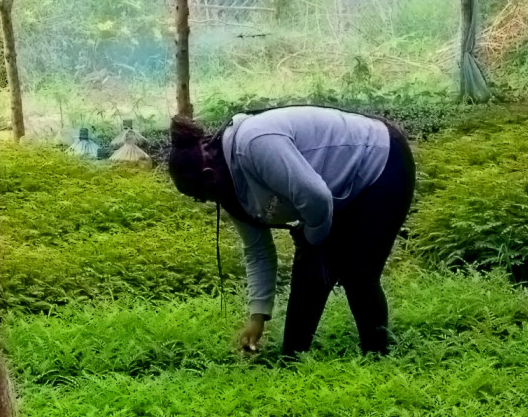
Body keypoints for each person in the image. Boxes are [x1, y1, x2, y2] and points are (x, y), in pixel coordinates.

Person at [167, 105, 415, 357]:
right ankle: (293, 360)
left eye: (200, 197)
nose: (207, 202)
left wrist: (310, 239)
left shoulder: (255, 143)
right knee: (310, 267)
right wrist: (257, 317)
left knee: (357, 272)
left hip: (379, 162)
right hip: (333, 189)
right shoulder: (228, 187)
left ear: (208, 176)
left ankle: (377, 358)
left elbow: (316, 199)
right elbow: (258, 252)